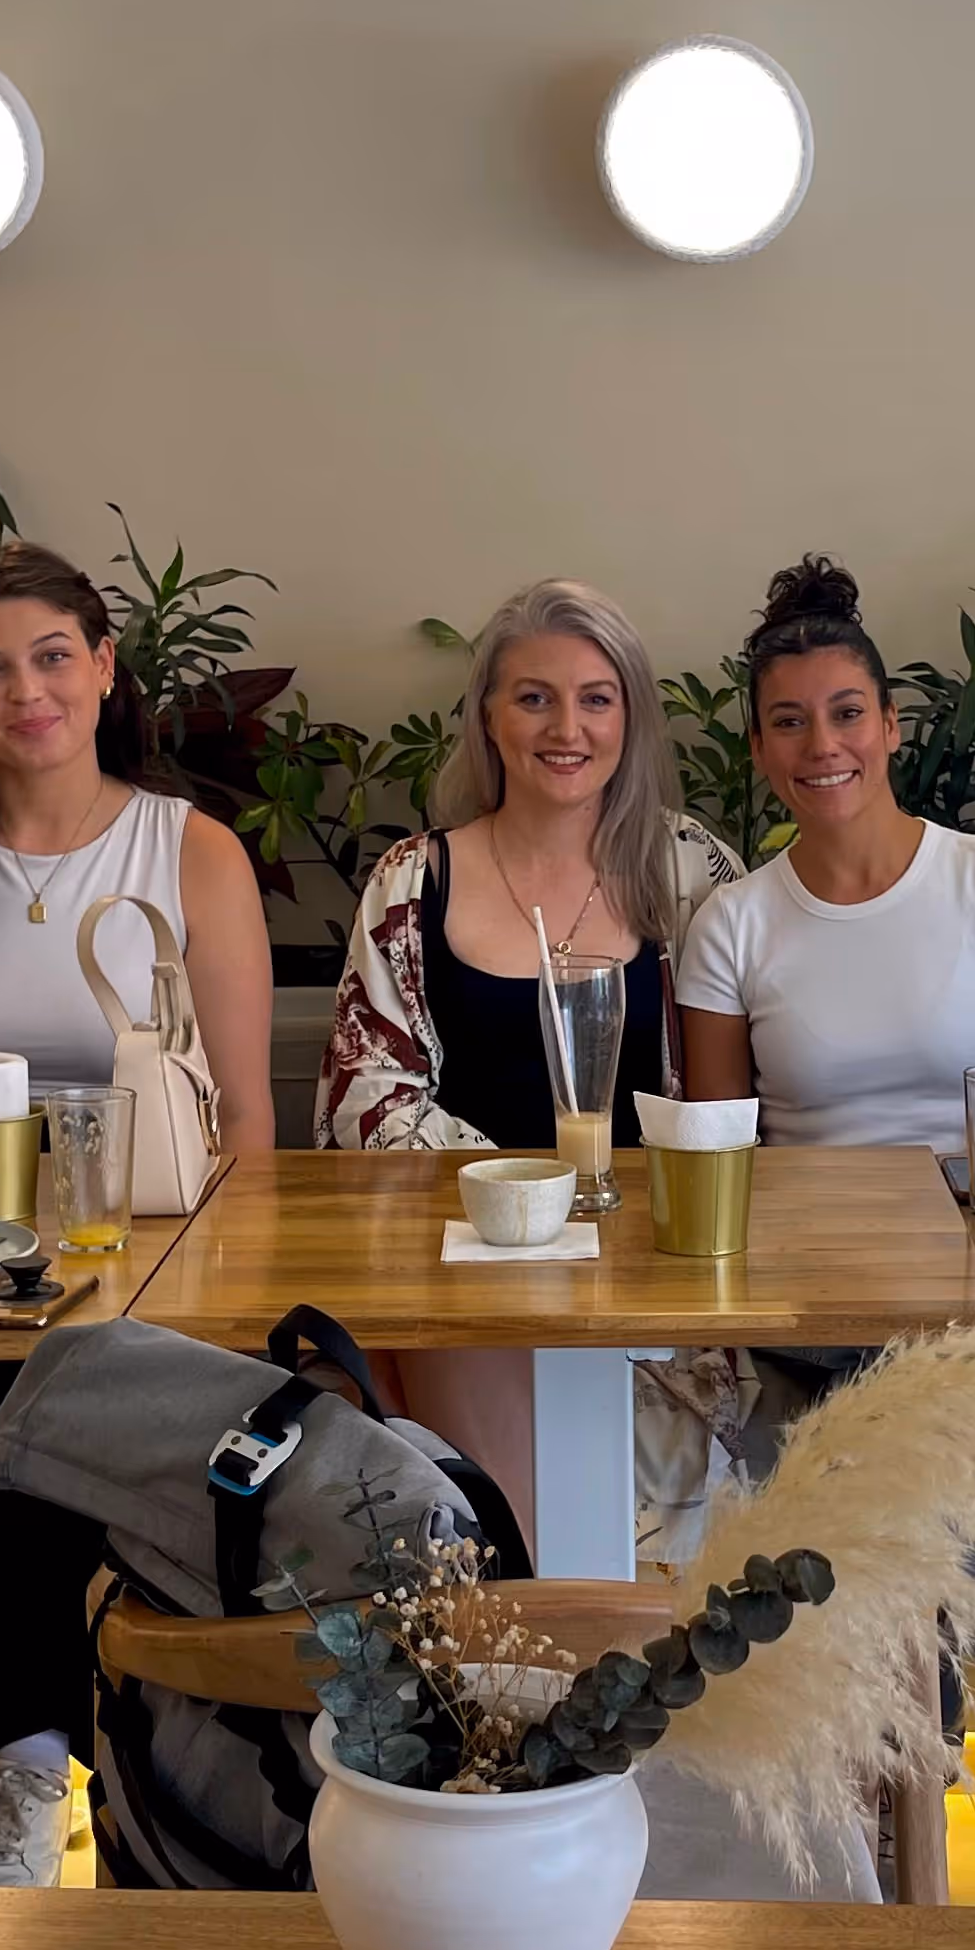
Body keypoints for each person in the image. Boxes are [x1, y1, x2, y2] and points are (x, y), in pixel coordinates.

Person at [677, 556, 975, 1807]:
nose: (820, 743)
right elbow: (718, 1145)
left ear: (890, 726)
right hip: (812, 1263)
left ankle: (919, 1742)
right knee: (915, 1379)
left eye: (844, 713)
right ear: (759, 748)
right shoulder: (734, 921)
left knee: (928, 1384)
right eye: (787, 721)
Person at [0, 538, 274, 1887]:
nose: (25, 690)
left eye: (48, 657)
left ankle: (28, 1766)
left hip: (134, 1282)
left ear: (102, 668)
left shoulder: (186, 851)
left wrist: (216, 1304)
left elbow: (247, 1125)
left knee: (60, 1428)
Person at [318, 578, 745, 1541]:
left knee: (660, 1551)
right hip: (461, 1272)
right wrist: (530, 1205)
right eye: (534, 696)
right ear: (488, 718)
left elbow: (743, 1089)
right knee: (503, 1537)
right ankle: (509, 1666)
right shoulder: (413, 879)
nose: (568, 726)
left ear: (631, 718)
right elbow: (365, 1108)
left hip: (652, 1275)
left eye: (597, 697)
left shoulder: (694, 873)